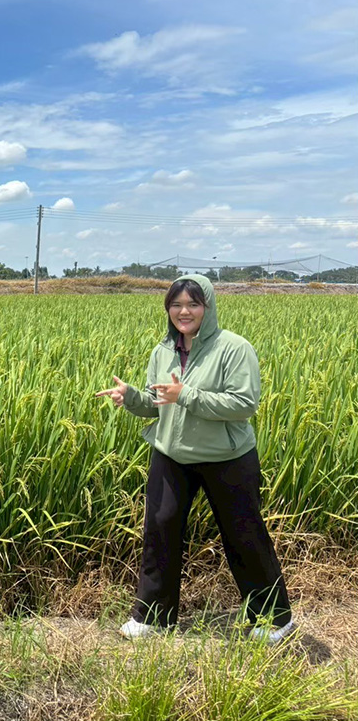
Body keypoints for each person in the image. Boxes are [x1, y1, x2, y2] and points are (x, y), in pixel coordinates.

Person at [96, 274, 293, 642]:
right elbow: (160, 405)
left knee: (244, 535)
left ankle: (274, 619)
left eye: (193, 304)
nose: (183, 311)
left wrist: (185, 394)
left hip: (228, 457)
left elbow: (243, 403)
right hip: (172, 454)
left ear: (208, 306)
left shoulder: (233, 348)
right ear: (168, 309)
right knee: (160, 529)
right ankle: (153, 617)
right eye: (176, 304)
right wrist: (132, 398)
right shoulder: (163, 351)